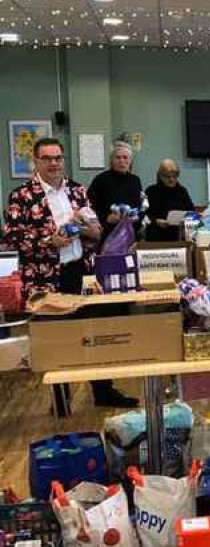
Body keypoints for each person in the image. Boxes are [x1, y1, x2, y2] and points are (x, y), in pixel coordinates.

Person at [3, 138, 136, 409]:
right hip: (45, 278)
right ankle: (60, 400)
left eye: (58, 158)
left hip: (80, 272)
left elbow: (96, 231)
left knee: (93, 333)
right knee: (56, 341)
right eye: (47, 158)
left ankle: (103, 392)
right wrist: (47, 240)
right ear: (36, 162)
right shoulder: (21, 196)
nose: (54, 163)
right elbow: (13, 237)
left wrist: (88, 230)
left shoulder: (77, 191)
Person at [87, 142, 146, 241]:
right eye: (118, 158)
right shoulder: (101, 179)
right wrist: (106, 218)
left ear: (130, 161)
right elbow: (88, 206)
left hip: (130, 231)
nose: (121, 161)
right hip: (107, 232)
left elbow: (140, 206)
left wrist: (136, 218)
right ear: (112, 161)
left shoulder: (135, 180)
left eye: (125, 157)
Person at [144, 159, 194, 242]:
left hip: (177, 236)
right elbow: (144, 215)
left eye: (174, 176)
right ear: (160, 176)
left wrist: (187, 219)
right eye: (167, 176)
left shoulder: (182, 191)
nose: (171, 179)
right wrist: (156, 221)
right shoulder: (151, 191)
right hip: (156, 236)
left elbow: (191, 211)